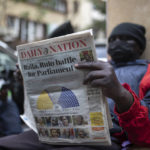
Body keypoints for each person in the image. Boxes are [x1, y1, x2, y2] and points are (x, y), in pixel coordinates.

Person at [0, 22, 150, 150]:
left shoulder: (147, 72)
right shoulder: (94, 65)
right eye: (113, 39)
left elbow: (146, 132)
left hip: (103, 138)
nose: (117, 43)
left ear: (140, 47)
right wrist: (29, 82)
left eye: (126, 39)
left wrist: (120, 93)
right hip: (54, 132)